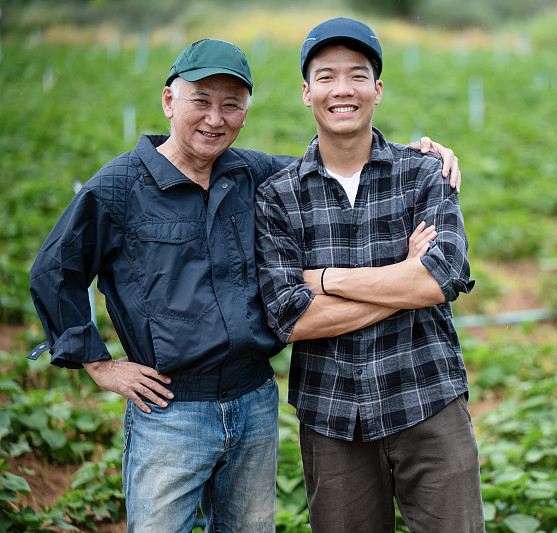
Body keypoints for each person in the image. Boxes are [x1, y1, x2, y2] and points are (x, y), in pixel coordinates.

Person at [27, 38, 461, 532]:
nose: (216, 119)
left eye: (231, 106)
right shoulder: (119, 187)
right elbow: (54, 270)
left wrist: (423, 153)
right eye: (201, 102)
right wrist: (98, 363)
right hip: (172, 409)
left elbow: (339, 158)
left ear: (245, 114)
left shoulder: (251, 173)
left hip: (254, 401)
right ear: (169, 100)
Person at [255, 18, 484, 533]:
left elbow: (440, 278)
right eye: (327, 76)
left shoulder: (424, 172)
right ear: (307, 91)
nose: (343, 90)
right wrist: (403, 277)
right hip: (331, 417)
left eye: (358, 76)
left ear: (377, 90)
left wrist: (326, 279)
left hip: (427, 399)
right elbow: (291, 321)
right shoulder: (279, 196)